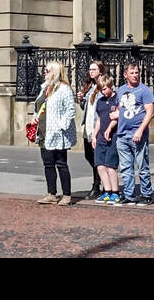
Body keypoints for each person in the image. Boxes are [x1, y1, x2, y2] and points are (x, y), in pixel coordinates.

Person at [33, 60, 77, 205]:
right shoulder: (44, 88)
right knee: (48, 164)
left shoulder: (64, 89)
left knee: (61, 163)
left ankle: (67, 195)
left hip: (58, 133)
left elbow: (71, 110)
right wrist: (35, 118)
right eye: (44, 70)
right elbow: (39, 106)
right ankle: (51, 193)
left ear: (55, 72)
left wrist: (60, 126)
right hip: (44, 131)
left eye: (47, 70)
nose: (44, 73)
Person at [111, 62, 154, 206]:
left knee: (142, 166)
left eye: (137, 72)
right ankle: (129, 195)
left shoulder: (145, 91)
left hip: (137, 134)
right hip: (122, 134)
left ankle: (147, 194)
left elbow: (150, 112)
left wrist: (140, 130)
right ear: (125, 75)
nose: (135, 75)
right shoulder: (121, 90)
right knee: (125, 167)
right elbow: (120, 109)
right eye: (132, 73)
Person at [78, 58, 107, 199]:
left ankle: (96, 186)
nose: (91, 71)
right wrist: (81, 100)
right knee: (88, 155)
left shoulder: (103, 86)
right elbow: (86, 107)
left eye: (94, 69)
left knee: (96, 157)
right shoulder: (89, 86)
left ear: (100, 71)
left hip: (97, 127)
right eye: (90, 69)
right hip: (88, 126)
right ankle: (101, 179)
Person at [91, 75, 121, 203]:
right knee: (100, 166)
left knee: (110, 166)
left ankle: (115, 192)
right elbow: (99, 119)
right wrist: (94, 135)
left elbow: (117, 117)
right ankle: (107, 191)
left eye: (105, 89)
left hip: (113, 137)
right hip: (101, 137)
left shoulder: (117, 99)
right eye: (101, 90)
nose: (103, 92)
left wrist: (109, 128)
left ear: (111, 86)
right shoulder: (101, 101)